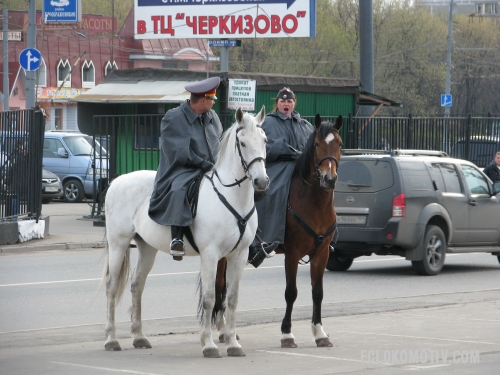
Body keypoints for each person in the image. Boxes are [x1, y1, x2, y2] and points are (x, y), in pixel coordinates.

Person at [148, 76, 223, 260]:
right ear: (204, 100)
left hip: (210, 167)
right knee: (179, 188)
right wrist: (202, 163)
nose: (214, 103)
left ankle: (249, 239)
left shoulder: (212, 117)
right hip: (181, 168)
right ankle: (177, 238)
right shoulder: (174, 117)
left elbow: (219, 142)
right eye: (212, 100)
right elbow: (179, 153)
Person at [248, 87, 315, 267]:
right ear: (277, 103)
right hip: (277, 167)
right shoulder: (268, 123)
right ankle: (262, 240)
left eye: (290, 101)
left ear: (294, 103)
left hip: (302, 168)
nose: (287, 104)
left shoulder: (305, 125)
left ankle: (324, 236)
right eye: (283, 101)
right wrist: (282, 149)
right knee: (273, 191)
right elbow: (260, 149)